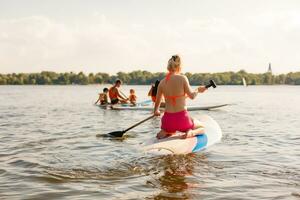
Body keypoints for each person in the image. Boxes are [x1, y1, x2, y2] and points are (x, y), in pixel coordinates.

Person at [153, 55, 207, 139]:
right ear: (179, 66)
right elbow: (192, 96)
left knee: (167, 130)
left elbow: (157, 100)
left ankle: (166, 132)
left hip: (168, 121)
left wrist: (156, 110)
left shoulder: (162, 83)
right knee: (202, 128)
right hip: (182, 119)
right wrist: (198, 90)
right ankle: (191, 132)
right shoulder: (183, 78)